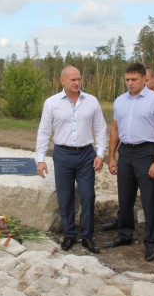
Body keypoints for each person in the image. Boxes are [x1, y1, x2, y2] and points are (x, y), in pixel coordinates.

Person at [36, 65, 108, 254]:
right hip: (63, 154)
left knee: (88, 195)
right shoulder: (51, 103)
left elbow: (100, 128)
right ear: (62, 81)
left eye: (79, 79)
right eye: (72, 79)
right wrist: (40, 159)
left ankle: (87, 236)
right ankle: (69, 234)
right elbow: (44, 131)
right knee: (65, 196)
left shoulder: (91, 101)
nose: (77, 82)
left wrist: (100, 154)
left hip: (86, 155)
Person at [104, 62, 154, 262]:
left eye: (134, 79)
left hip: (147, 151)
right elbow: (115, 129)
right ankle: (125, 234)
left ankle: (151, 242)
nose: (130, 83)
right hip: (126, 152)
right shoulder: (120, 101)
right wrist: (111, 156)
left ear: (144, 79)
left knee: (149, 199)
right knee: (125, 197)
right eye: (127, 79)